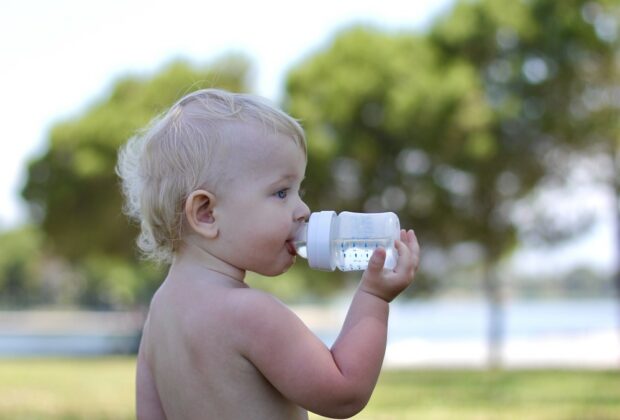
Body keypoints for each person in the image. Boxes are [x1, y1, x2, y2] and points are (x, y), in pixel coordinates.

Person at [117, 88, 420, 419]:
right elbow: (344, 393)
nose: (303, 209)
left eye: (297, 191)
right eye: (281, 192)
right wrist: (375, 297)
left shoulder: (160, 314)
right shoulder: (250, 313)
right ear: (206, 213)